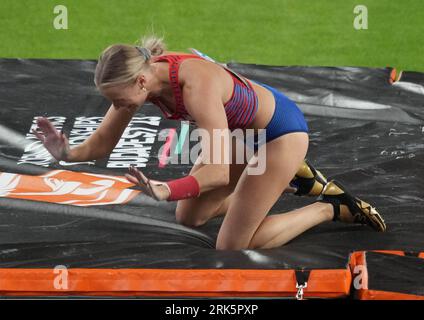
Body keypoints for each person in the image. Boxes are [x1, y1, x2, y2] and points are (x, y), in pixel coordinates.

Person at [33, 35, 386, 250]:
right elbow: (103, 145)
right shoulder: (139, 82)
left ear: (141, 83)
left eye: (121, 101)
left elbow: (216, 173)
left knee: (232, 246)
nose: (118, 108)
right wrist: (66, 153)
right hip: (242, 136)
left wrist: (166, 189)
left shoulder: (195, 86)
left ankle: (331, 207)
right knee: (189, 216)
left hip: (279, 136)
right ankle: (290, 180)